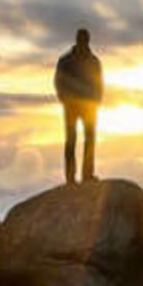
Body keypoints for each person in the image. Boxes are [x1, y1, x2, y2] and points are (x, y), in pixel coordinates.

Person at [54, 28, 103, 185]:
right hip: (72, 106)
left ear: (88, 40)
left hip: (89, 107)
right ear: (77, 40)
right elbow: (58, 81)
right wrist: (64, 99)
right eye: (81, 39)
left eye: (85, 39)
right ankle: (70, 178)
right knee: (71, 140)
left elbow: (99, 83)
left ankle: (87, 174)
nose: (83, 42)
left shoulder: (94, 61)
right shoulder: (65, 61)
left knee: (89, 140)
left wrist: (97, 101)